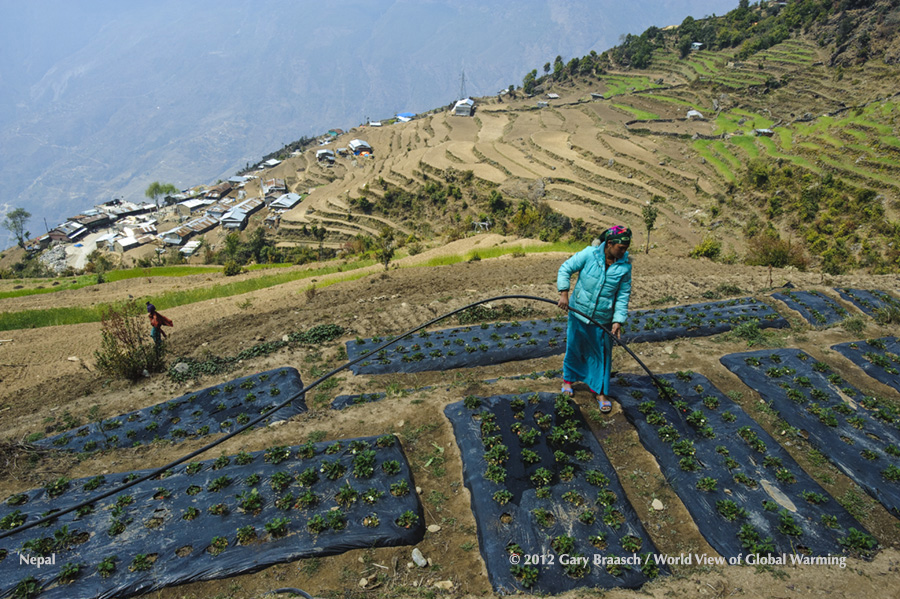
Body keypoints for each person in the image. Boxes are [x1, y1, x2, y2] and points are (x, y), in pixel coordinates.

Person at [556, 225, 633, 413]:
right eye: (620, 248)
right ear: (609, 244)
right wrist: (564, 293)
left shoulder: (624, 267)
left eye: (625, 248)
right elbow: (566, 268)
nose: (623, 252)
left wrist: (617, 321)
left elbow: (623, 295)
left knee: (601, 354)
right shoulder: (589, 254)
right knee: (575, 347)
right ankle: (568, 381)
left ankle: (600, 392)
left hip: (602, 318)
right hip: (579, 311)